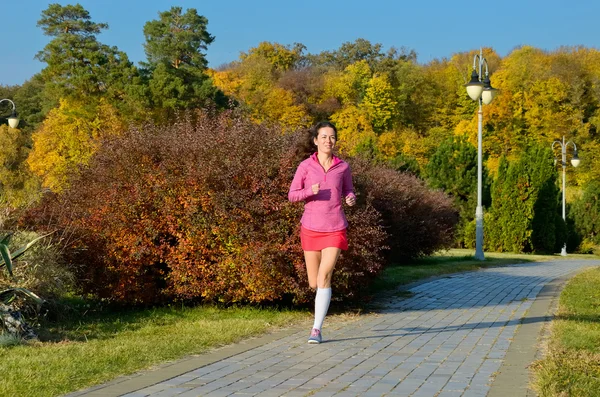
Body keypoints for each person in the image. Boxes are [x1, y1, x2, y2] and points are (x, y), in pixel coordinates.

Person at [288, 121, 356, 344]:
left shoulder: (343, 167)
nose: (329, 140)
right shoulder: (305, 166)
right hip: (310, 227)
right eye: (324, 136)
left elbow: (348, 190)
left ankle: (316, 329)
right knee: (314, 283)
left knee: (325, 276)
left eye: (332, 137)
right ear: (316, 140)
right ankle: (319, 308)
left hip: (335, 227)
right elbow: (292, 195)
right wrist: (310, 191)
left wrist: (350, 198)